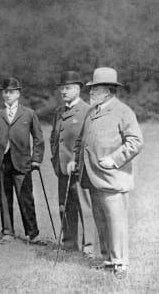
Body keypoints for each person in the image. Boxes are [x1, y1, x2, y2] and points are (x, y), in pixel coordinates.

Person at [67, 67, 143, 279]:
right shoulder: (93, 112)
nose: (90, 92)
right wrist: (75, 160)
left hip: (112, 178)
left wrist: (114, 159)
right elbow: (81, 140)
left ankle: (120, 263)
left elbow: (136, 142)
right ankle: (108, 260)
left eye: (95, 89)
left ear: (108, 91)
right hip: (92, 177)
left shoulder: (123, 111)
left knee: (116, 221)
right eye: (91, 89)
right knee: (101, 221)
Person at [0, 77, 45, 245]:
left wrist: (36, 160)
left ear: (18, 93)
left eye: (12, 92)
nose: (8, 95)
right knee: (4, 196)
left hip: (23, 161)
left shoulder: (29, 113)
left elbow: (39, 138)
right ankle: (7, 232)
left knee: (26, 197)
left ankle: (33, 234)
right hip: (1, 161)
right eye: (5, 92)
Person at [50, 70, 94, 256]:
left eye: (67, 88)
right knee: (65, 207)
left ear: (78, 89)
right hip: (62, 169)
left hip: (79, 169)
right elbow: (54, 138)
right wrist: (55, 160)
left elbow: (88, 140)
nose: (63, 92)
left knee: (85, 208)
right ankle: (69, 244)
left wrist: (77, 162)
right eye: (62, 88)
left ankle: (89, 247)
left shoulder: (87, 111)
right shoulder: (59, 111)